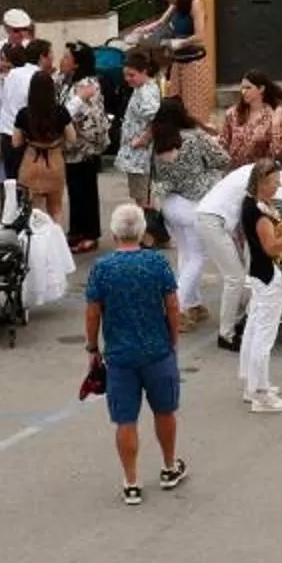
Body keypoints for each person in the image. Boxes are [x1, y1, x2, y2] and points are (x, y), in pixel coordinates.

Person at [83, 201, 188, 505]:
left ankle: (131, 482)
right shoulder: (156, 264)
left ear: (114, 233)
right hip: (157, 350)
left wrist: (93, 347)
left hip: (119, 355)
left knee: (125, 419)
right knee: (165, 410)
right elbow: (172, 305)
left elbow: (93, 313)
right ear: (142, 231)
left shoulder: (103, 269)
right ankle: (169, 466)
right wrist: (172, 339)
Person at [149, 95, 233, 328]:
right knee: (197, 256)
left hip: (170, 204)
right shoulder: (195, 138)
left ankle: (193, 303)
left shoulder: (159, 142)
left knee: (186, 254)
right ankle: (179, 307)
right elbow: (222, 159)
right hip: (195, 204)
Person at [233, 157, 282, 413]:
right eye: (274, 183)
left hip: (257, 274)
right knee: (264, 335)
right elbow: (272, 246)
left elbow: (271, 232)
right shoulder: (259, 212)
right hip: (268, 275)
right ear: (261, 183)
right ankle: (261, 394)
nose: (277, 187)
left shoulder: (252, 204)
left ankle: (252, 386)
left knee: (253, 329)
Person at [191, 145, 262, 351]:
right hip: (213, 221)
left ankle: (238, 320)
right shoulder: (259, 178)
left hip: (211, 218)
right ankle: (227, 334)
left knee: (237, 273)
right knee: (235, 278)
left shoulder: (248, 172)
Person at [58, 42, 111, 251]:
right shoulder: (65, 81)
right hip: (70, 148)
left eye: (66, 57)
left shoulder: (87, 85)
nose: (62, 61)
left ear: (77, 64)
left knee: (86, 191)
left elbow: (84, 116)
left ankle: (90, 233)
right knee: (74, 191)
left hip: (84, 147)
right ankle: (76, 231)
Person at [0, 10, 43, 184]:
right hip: (2, 111)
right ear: (7, 29)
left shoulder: (33, 49)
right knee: (4, 174)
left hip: (24, 114)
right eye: (16, 30)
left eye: (24, 30)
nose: (20, 34)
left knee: (26, 172)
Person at [15, 69, 71, 229]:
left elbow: (16, 142)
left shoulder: (24, 113)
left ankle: (37, 245)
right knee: (56, 208)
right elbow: (72, 138)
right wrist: (58, 140)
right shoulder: (60, 111)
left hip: (31, 161)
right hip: (54, 161)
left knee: (35, 210)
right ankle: (58, 243)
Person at [115, 44, 167, 216]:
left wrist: (144, 138)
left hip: (141, 155)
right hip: (136, 153)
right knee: (141, 197)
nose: (128, 79)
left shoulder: (146, 92)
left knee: (144, 199)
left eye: (132, 75)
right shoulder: (141, 89)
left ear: (144, 71)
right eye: (125, 76)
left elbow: (156, 117)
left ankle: (150, 234)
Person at [223, 72, 282, 170]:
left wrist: (276, 125)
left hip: (259, 175)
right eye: (242, 88)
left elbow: (279, 155)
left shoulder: (273, 116)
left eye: (248, 88)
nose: (243, 92)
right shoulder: (232, 114)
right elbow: (222, 145)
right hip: (234, 174)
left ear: (261, 89)